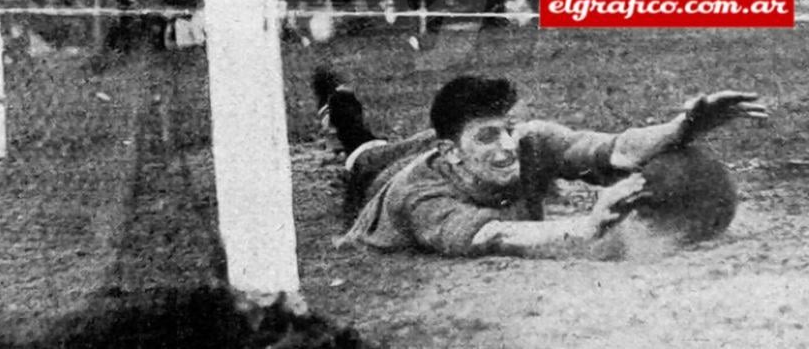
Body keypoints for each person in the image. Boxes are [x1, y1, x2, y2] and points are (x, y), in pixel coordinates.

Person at [313, 69, 767, 258]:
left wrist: (684, 125)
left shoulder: (526, 141)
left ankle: (345, 105)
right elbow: (494, 233)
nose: (508, 144)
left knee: (468, 139)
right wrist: (586, 228)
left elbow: (616, 149)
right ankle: (338, 101)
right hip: (380, 180)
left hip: (448, 150)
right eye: (490, 135)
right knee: (363, 149)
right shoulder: (419, 196)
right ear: (452, 150)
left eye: (508, 127)